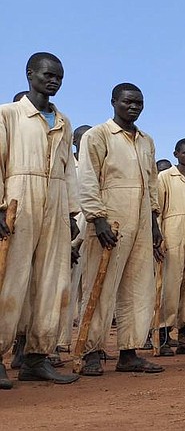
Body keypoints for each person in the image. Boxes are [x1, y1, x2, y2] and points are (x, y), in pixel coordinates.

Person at [0, 53, 80, 388]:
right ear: (29, 74)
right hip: (20, 195)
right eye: (48, 75)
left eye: (59, 77)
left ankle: (36, 357)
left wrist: (73, 213)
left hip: (57, 200)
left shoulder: (63, 120)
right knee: (11, 279)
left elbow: (69, 170)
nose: (54, 81)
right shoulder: (9, 114)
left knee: (53, 281)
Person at [77, 83, 164, 376]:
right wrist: (97, 218)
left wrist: (153, 222)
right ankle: (91, 350)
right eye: (128, 101)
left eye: (139, 102)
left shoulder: (146, 140)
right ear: (113, 102)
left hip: (141, 220)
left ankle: (129, 352)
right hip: (109, 218)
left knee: (138, 287)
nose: (134, 107)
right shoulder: (97, 135)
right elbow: (87, 178)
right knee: (100, 286)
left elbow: (151, 184)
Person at [156, 138, 185, 355]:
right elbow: (157, 210)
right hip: (172, 231)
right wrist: (157, 238)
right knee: (170, 285)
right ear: (176, 154)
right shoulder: (165, 177)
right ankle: (163, 336)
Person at [57, 124, 92, 355]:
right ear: (76, 142)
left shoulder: (96, 166)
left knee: (87, 287)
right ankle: (59, 341)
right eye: (83, 139)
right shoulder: (70, 166)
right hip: (69, 228)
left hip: (90, 230)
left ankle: (87, 342)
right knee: (65, 287)